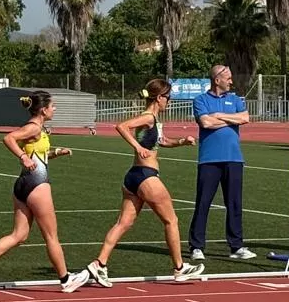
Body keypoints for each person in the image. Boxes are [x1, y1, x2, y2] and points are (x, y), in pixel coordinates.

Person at [0, 92, 90, 294]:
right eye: (53, 106)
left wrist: (57, 152)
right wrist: (23, 156)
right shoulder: (33, 127)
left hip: (23, 185)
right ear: (43, 109)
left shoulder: (38, 129)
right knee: (51, 236)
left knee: (19, 235)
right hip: (37, 185)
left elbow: (39, 155)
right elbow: (9, 139)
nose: (55, 109)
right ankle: (66, 279)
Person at [86, 78, 205, 287]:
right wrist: (137, 147)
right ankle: (179, 268)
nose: (169, 101)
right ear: (159, 98)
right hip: (146, 176)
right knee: (171, 220)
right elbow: (121, 126)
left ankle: (99, 264)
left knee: (124, 223)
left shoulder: (155, 120)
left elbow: (161, 142)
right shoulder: (148, 116)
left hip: (133, 176)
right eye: (168, 98)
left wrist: (182, 142)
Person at [189, 65, 255, 261]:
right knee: (203, 203)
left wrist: (219, 116)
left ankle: (236, 246)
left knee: (234, 203)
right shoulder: (201, 100)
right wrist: (231, 120)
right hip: (209, 160)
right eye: (228, 78)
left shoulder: (235, 99)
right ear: (217, 80)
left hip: (234, 159)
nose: (231, 81)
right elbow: (206, 123)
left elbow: (245, 118)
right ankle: (196, 246)